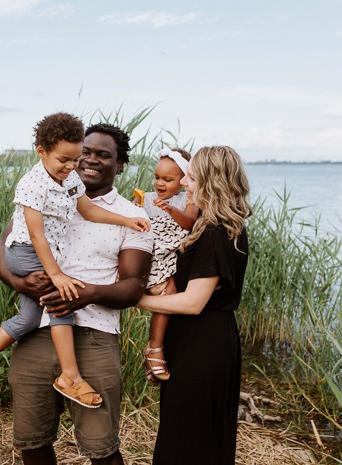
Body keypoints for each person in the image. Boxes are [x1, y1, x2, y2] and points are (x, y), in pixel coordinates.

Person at [0, 113, 150, 408]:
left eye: (75, 160)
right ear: (42, 151)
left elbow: (88, 211)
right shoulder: (32, 185)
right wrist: (57, 275)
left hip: (53, 269)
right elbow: (36, 237)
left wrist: (127, 219)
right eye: (68, 159)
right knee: (61, 298)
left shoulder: (70, 178)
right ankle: (70, 376)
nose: (74, 166)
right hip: (26, 251)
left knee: (29, 317)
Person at [0, 123, 153, 465]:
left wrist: (85, 294)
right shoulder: (43, 192)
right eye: (85, 152)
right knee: (32, 442)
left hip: (94, 338)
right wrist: (21, 284)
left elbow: (133, 286)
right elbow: (2, 249)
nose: (89, 160)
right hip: (36, 332)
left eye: (103, 155)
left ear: (120, 164)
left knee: (102, 449)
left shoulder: (133, 215)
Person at [136, 146, 252, 465]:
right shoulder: (210, 225)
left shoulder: (218, 232)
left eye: (191, 177)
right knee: (188, 432)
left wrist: (135, 299)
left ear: (210, 182)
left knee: (190, 439)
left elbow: (193, 301)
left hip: (205, 344)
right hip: (196, 340)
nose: (185, 183)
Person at [132, 148, 199, 383]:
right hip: (153, 253)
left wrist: (170, 209)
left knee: (170, 293)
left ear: (182, 181)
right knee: (168, 294)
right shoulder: (146, 197)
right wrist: (136, 207)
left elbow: (189, 223)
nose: (160, 183)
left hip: (172, 255)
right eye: (157, 177)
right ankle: (155, 348)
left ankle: (155, 349)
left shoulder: (189, 200)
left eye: (167, 179)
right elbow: (133, 221)